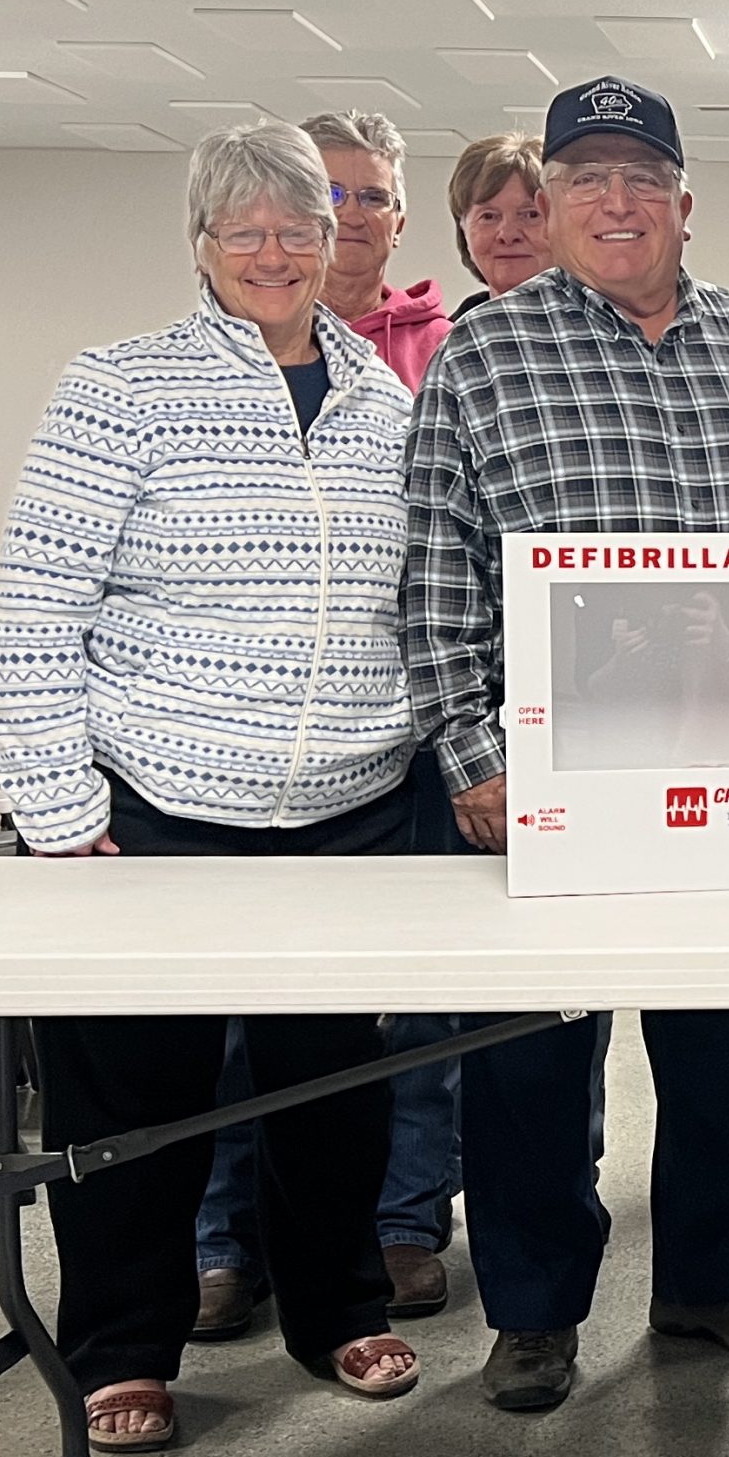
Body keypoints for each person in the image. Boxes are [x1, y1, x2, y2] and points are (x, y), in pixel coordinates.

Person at [0, 120, 423, 1453]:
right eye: (248, 230)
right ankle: (125, 1344)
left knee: (333, 1092)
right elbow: (39, 603)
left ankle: (335, 1302)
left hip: (348, 806)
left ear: (336, 238)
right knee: (138, 1105)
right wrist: (60, 814)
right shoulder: (122, 383)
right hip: (158, 807)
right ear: (202, 246)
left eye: (302, 226)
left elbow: (406, 594)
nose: (279, 251)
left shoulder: (384, 395)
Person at [403, 75, 729, 1411]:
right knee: (529, 1061)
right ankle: (532, 1309)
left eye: (644, 177)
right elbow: (437, 573)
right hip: (553, 776)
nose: (618, 200)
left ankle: (709, 1272)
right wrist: (472, 755)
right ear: (550, 201)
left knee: (728, 1054)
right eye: (587, 179)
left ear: (691, 204)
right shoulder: (485, 352)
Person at [188, 110, 476, 1329]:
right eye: (329, 201)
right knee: (233, 1019)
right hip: (231, 760)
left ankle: (395, 1226)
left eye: (363, 203)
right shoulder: (189, 368)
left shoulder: (425, 358)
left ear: (394, 220)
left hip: (391, 739)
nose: (340, 226)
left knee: (386, 1012)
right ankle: (223, 1243)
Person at [300, 110, 452, 391]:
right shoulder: (258, 336)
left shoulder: (446, 349)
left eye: (374, 197)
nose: (351, 216)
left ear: (399, 227)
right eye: (331, 194)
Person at [446, 130, 554, 317]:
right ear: (463, 230)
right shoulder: (446, 341)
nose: (508, 234)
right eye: (488, 216)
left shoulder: (610, 331)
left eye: (530, 214)